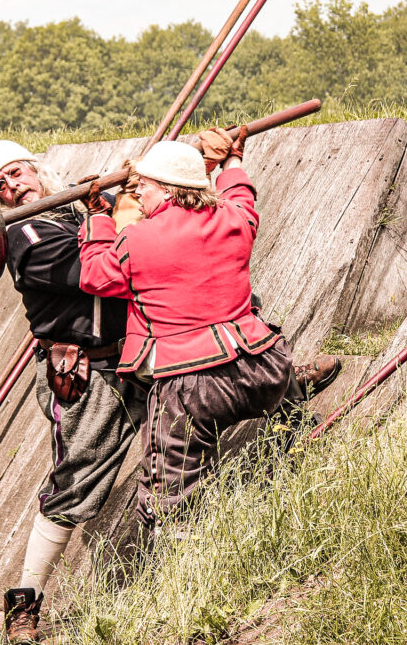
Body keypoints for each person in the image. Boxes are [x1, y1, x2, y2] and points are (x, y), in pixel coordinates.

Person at [77, 132, 300, 531]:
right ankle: (299, 414)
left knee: (168, 496)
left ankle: (186, 569)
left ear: (166, 190)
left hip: (193, 389)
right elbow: (241, 194)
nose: (137, 193)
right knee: (286, 398)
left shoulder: (136, 237)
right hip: (265, 369)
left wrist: (96, 216)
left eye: (143, 186)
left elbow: (95, 275)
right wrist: (233, 157)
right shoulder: (234, 218)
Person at [0, 140, 148, 644]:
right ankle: (25, 602)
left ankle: (281, 384)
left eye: (15, 173)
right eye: (0, 187)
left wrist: (114, 194)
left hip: (134, 352)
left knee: (201, 393)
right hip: (85, 372)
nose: (12, 187)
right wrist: (116, 207)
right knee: (76, 482)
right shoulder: (24, 235)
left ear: (35, 169)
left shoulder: (70, 209)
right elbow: (106, 276)